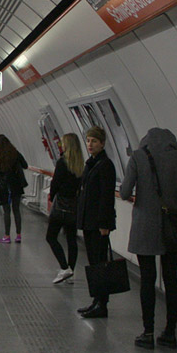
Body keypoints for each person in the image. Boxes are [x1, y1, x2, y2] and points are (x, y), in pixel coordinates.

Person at [119, 128, 177, 348]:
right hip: (171, 226)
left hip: (145, 226)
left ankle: (148, 332)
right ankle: (170, 333)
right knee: (171, 278)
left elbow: (124, 192)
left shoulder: (139, 156)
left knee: (147, 279)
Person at [76, 126, 117, 318]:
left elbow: (106, 198)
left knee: (100, 263)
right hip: (88, 221)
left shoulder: (105, 165)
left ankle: (102, 303)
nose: (90, 144)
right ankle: (96, 300)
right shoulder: (91, 163)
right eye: (88, 141)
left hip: (98, 223)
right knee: (94, 263)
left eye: (94, 141)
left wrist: (104, 224)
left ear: (102, 143)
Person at [47, 133, 84, 284]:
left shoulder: (62, 162)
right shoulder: (81, 164)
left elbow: (55, 183)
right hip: (74, 206)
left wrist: (51, 195)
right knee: (71, 239)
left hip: (61, 206)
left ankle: (64, 268)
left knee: (51, 237)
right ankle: (71, 270)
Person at [0, 135, 29, 243]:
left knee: (6, 211)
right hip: (16, 186)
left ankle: (7, 236)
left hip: (4, 187)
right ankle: (18, 235)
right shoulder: (15, 153)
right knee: (16, 210)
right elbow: (25, 165)